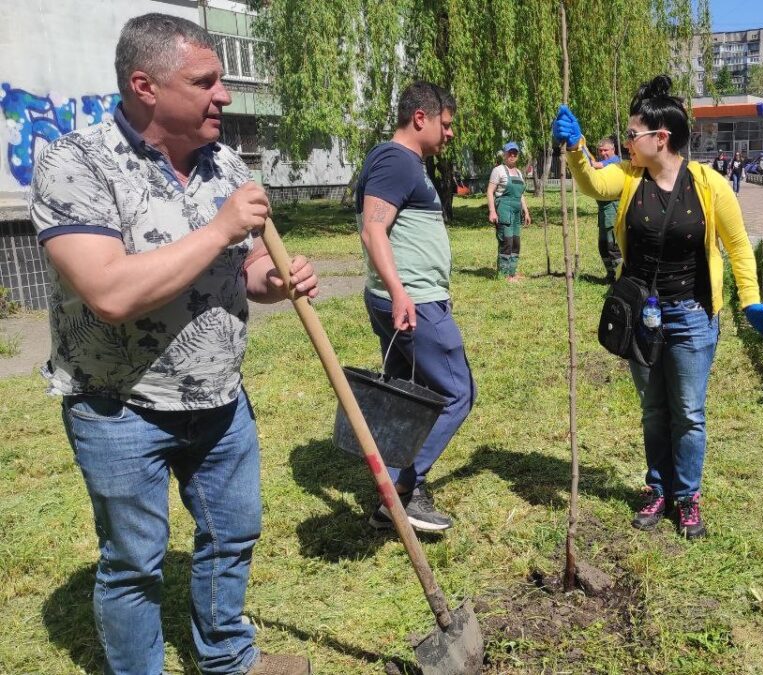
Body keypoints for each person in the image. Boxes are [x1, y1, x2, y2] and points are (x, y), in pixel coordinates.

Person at [29, 14, 316, 675]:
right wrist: (220, 229)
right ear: (146, 85)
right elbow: (109, 291)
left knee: (232, 532)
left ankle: (227, 657)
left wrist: (274, 278)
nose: (226, 95)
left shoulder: (226, 165)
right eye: (206, 81)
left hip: (220, 400)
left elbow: (238, 271)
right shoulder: (77, 162)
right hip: (118, 406)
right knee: (134, 561)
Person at [552, 75, 763, 539]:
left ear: (662, 138)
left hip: (693, 316)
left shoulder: (710, 185)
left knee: (689, 412)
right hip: (642, 315)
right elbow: (594, 184)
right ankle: (657, 488)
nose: (627, 142)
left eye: (633, 134)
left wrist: (751, 300)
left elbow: (738, 247)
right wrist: (576, 149)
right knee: (654, 410)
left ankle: (688, 496)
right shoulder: (628, 176)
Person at [356, 81, 476, 531]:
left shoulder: (407, 164)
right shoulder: (396, 160)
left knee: (414, 395)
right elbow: (374, 230)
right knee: (456, 393)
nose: (449, 134)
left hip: (413, 298)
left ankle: (397, 490)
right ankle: (400, 490)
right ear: (420, 118)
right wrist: (403, 291)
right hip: (413, 303)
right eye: (445, 125)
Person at [487, 141, 532, 280]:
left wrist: (526, 211)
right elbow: (489, 191)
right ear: (504, 154)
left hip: (516, 212)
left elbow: (521, 195)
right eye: (510, 153)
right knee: (506, 242)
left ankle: (512, 272)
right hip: (504, 210)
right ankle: (504, 274)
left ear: (517, 155)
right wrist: (492, 211)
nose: (512, 155)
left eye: (515, 153)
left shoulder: (518, 172)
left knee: (515, 242)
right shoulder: (498, 170)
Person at [591, 135, 623, 283]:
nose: (603, 153)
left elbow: (597, 165)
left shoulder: (615, 162)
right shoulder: (604, 162)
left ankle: (620, 277)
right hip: (603, 209)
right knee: (603, 245)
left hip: (613, 209)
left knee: (613, 245)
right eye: (600, 150)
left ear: (613, 149)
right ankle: (610, 275)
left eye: (605, 150)